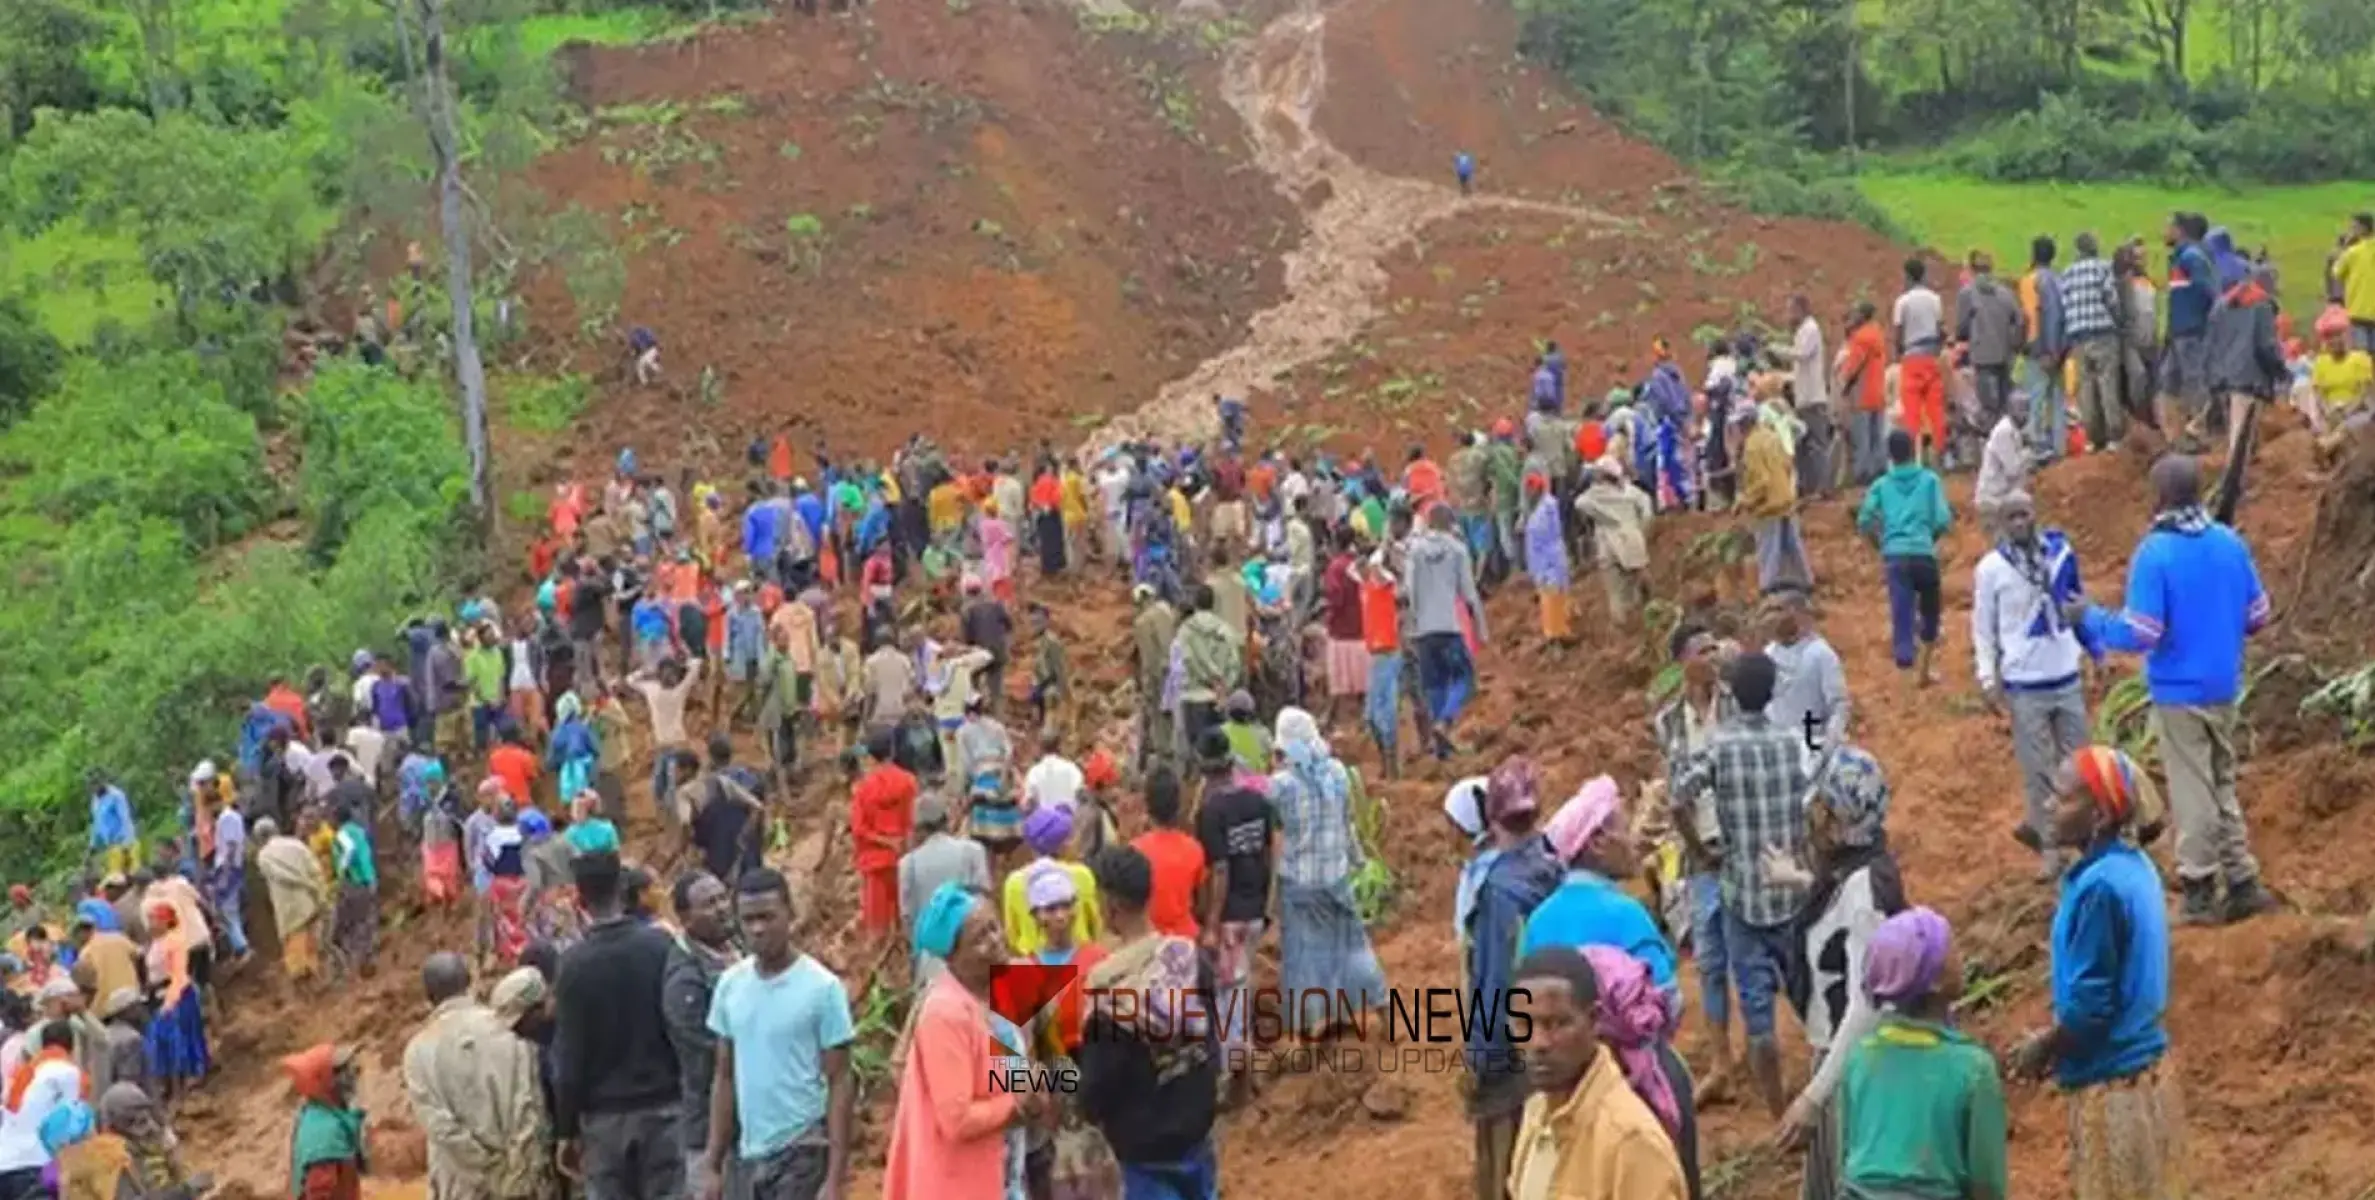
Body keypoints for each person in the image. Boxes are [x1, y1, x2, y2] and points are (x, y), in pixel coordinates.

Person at [2074, 455, 2278, 925]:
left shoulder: (2156, 553)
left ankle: (2200, 887)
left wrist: (2091, 618)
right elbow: (2259, 616)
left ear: (2159, 497)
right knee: (2221, 780)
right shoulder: (2230, 542)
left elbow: (2141, 632)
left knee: (2192, 788)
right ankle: (2242, 878)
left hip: (2179, 690)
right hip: (2225, 684)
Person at [2011, 747, 2182, 1200]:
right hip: (2148, 1073)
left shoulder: (2098, 890)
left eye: (2064, 799)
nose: (2049, 806)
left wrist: (2044, 1046)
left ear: (2101, 815)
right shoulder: (2133, 866)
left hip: (2113, 1082)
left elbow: (2091, 1010)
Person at [1670, 652, 1812, 1119]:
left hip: (1741, 892)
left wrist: (1702, 849)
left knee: (1757, 1014)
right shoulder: (1794, 741)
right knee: (1806, 993)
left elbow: (1676, 799)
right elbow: (1815, 797)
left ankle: (1777, 1113)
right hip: (1791, 888)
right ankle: (1821, 1085)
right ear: (1771, 693)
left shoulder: (1721, 746)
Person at [1770, 748, 1907, 1199]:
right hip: (1841, 1063)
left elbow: (1866, 1004)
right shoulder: (1857, 873)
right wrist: (1795, 879)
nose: (1811, 816)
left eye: (1821, 808)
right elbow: (1840, 917)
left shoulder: (1866, 891)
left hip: (1850, 1070)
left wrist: (1815, 1095)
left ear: (1841, 822)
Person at [700, 868, 854, 1200]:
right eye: (748, 919)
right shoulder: (730, 985)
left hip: (802, 1150)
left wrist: (835, 1177)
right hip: (750, 1154)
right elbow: (724, 1075)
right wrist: (712, 1161)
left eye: (767, 917)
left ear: (790, 914)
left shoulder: (822, 988)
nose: (758, 929)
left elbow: (840, 1080)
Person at [1833, 909, 2008, 1200]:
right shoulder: (1972, 1069)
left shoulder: (1861, 1056)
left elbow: (1847, 1157)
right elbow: (1987, 1185)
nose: (1962, 956)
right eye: (1953, 950)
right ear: (1934, 979)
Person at [1076, 848, 1220, 1200]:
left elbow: (1096, 1093)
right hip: (1198, 1134)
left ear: (1110, 906)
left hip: (1145, 1156)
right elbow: (1212, 1042)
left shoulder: (1110, 998)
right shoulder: (1189, 959)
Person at [883, 883, 1040, 1200]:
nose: (996, 942)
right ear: (952, 956)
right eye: (980, 939)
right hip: (960, 1183)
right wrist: (1019, 1103)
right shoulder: (946, 1013)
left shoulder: (1003, 991)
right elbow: (956, 1120)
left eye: (994, 928)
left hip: (1005, 1172)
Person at [1973, 490, 2097, 878]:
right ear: (2001, 525)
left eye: (2025, 514)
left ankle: (2083, 844)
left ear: (2036, 514)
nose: (2020, 523)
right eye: (2011, 517)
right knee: (2037, 770)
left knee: (2079, 766)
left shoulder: (2059, 555)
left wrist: (2096, 649)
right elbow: (1983, 627)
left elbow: (2078, 603)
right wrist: (1988, 677)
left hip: (2065, 674)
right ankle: (2049, 848)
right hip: (2024, 683)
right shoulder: (1991, 569)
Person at [1504, 947, 1688, 1199]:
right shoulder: (1537, 1111)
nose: (1538, 1043)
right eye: (1523, 1025)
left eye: (1556, 1024)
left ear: (1594, 1020)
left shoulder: (1631, 1142)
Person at [552, 851, 684, 1200]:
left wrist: (566, 1130)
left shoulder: (572, 966)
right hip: (666, 1109)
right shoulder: (660, 946)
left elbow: (569, 1057)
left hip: (604, 1122)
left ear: (579, 899)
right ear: (623, 888)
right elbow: (680, 1026)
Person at [1464, 758, 1562, 1200]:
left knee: (1506, 1168)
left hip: (1515, 1049)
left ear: (1493, 818)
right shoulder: (1557, 868)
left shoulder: (1499, 890)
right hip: (1564, 1031)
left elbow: (1493, 982)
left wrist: (1482, 1058)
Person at [1267, 709, 1388, 1035]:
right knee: (1352, 945)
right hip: (1337, 875)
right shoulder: (1336, 773)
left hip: (1300, 882)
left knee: (1305, 955)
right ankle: (1380, 1004)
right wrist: (1358, 860)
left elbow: (1272, 824)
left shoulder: (1280, 786)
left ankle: (1314, 1026)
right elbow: (1347, 822)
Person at [402, 952, 551, 1200]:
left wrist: (487, 1169)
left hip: (460, 1186)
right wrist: (514, 1171)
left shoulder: (417, 1052)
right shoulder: (509, 1028)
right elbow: (529, 1104)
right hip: (521, 1180)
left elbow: (441, 1128)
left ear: (428, 996)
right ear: (471, 980)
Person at [1520, 777, 1673, 986]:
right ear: (1598, 842)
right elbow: (1666, 998)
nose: (1633, 841)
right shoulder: (1627, 914)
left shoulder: (1538, 922)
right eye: (1626, 829)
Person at [659, 871, 738, 1198]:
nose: (722, 908)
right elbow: (707, 1057)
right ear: (685, 919)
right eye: (709, 904)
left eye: (722, 898)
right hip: (711, 1127)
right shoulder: (684, 983)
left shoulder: (738, 947)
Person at [1855, 430, 1951, 682]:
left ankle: (1904, 669)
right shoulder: (1930, 480)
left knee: (1901, 609)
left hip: (1895, 555)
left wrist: (1881, 543)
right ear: (1913, 451)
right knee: (1931, 610)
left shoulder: (1881, 485)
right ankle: (1926, 667)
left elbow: (1864, 519)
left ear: (1890, 456)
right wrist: (1928, 539)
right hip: (1924, 553)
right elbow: (1942, 519)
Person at [1405, 504, 1487, 759]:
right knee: (1465, 678)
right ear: (1450, 523)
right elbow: (1469, 594)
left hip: (1424, 632)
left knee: (1434, 685)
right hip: (1449, 627)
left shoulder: (1414, 551)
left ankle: (1442, 750)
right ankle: (1444, 722)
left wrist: (1414, 623)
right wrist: (1480, 627)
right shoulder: (1457, 550)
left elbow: (1410, 591)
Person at [897, 795, 991, 982]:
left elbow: (907, 917)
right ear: (946, 821)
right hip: (974, 950)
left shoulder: (908, 864)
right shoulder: (973, 851)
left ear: (918, 829)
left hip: (931, 959)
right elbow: (984, 899)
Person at [2203, 260, 2287, 465]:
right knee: (2241, 445)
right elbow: (2265, 347)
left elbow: (2209, 346)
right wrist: (2280, 371)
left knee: (2231, 437)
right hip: (2248, 381)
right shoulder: (2261, 305)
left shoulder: (2220, 305)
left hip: (2221, 380)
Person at [1736, 393, 1810, 595]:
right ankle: (1806, 582)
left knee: (1768, 550)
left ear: (1743, 424)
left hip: (1768, 506)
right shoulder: (1772, 436)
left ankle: (1767, 589)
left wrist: (1745, 500)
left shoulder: (1751, 447)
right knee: (1793, 545)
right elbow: (1787, 464)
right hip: (1786, 499)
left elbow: (1762, 482)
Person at [0, 1021, 83, 1199]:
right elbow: (66, 1129)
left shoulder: (24, 1072)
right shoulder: (68, 1072)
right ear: (72, 1045)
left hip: (4, 1164)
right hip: (35, 1167)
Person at [1004, 807, 1101, 959]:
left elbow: (1012, 935)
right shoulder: (1081, 875)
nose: (1075, 842)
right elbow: (1095, 925)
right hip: (1080, 960)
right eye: (1070, 838)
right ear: (1060, 845)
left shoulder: (1013, 882)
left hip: (1033, 966)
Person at [2157, 212, 2218, 448]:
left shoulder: (2193, 258)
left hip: (2191, 332)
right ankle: (2175, 436)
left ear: (2180, 230)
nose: (2165, 231)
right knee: (2167, 382)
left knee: (2194, 382)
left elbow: (2209, 293)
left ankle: (2200, 432)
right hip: (2178, 333)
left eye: (2169, 227)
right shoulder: (2179, 259)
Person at [2065, 232, 2127, 452]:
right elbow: (2111, 297)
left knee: (2086, 387)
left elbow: (2066, 305)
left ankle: (2092, 437)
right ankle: (2114, 436)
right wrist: (2119, 321)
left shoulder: (2068, 273)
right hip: (2103, 333)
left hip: (2079, 337)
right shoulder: (2102, 268)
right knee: (2107, 382)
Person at [1130, 767, 1206, 942]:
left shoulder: (1135, 849)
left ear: (1147, 805)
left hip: (1149, 942)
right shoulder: (1194, 849)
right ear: (1179, 805)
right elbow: (1202, 904)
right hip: (1186, 938)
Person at [139, 903, 206, 1101]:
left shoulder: (175, 941)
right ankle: (168, 1080)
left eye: (155, 919)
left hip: (178, 993)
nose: (151, 924)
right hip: (159, 993)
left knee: (182, 1036)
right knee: (161, 1039)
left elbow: (179, 973)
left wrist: (170, 1000)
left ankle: (189, 1076)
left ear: (166, 921)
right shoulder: (153, 944)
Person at [284, 1043, 368, 1200]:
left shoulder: (319, 1115)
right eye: (342, 1071)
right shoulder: (325, 1135)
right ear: (326, 1080)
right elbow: (319, 1193)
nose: (352, 1075)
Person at [1958, 250, 2027, 429]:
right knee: (2005, 403)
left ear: (1973, 269)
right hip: (2004, 356)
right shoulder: (2005, 293)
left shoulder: (1968, 293)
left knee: (1988, 406)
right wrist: (2014, 345)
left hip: (1981, 356)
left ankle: (1991, 441)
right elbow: (2020, 320)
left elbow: (1962, 327)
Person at [255, 818, 328, 984]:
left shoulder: (264, 856)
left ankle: (303, 985)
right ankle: (316, 979)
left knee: (294, 948)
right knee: (311, 943)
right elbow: (315, 869)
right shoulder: (296, 844)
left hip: (288, 909)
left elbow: (275, 876)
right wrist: (320, 894)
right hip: (310, 901)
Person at [1892, 258, 1948, 464]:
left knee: (1912, 411)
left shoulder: (1902, 302)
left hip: (1911, 358)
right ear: (1924, 275)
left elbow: (1898, 333)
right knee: (1936, 409)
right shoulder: (1935, 299)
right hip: (1931, 357)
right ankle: (1938, 455)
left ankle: (1912, 457)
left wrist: (1898, 355)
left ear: (1907, 276)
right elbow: (1941, 329)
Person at [2021, 235, 2070, 462]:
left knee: (2037, 398)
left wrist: (2046, 349)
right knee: (2057, 400)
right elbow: (2064, 317)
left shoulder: (2033, 281)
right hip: (2061, 349)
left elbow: (2043, 315)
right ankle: (2059, 447)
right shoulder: (2060, 280)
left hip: (2040, 349)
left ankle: (2037, 448)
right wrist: (2061, 349)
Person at [1520, 474, 1572, 645]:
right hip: (1545, 561)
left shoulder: (1546, 509)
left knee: (1552, 598)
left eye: (1531, 488)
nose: (1529, 492)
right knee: (1551, 598)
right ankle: (1557, 632)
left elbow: (1548, 538)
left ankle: (1556, 636)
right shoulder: (1540, 508)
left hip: (1549, 561)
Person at [330, 805, 379, 979]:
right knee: (365, 922)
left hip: (353, 882)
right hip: (368, 880)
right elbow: (366, 855)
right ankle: (365, 959)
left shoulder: (342, 833)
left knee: (344, 927)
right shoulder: (360, 831)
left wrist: (342, 871)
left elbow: (349, 850)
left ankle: (351, 966)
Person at [2334, 212, 2375, 352]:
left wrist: (2345, 247)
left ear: (2363, 229)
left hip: (2359, 310)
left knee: (2361, 357)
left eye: (2354, 227)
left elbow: (2336, 272)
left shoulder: (2353, 252)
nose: (2352, 231)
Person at [87, 778, 138, 882]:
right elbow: (97, 823)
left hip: (123, 841)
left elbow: (125, 818)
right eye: (92, 786)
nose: (94, 788)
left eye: (97, 784)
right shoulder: (96, 799)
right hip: (110, 845)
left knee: (132, 875)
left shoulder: (116, 796)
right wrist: (93, 844)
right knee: (115, 878)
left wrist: (127, 842)